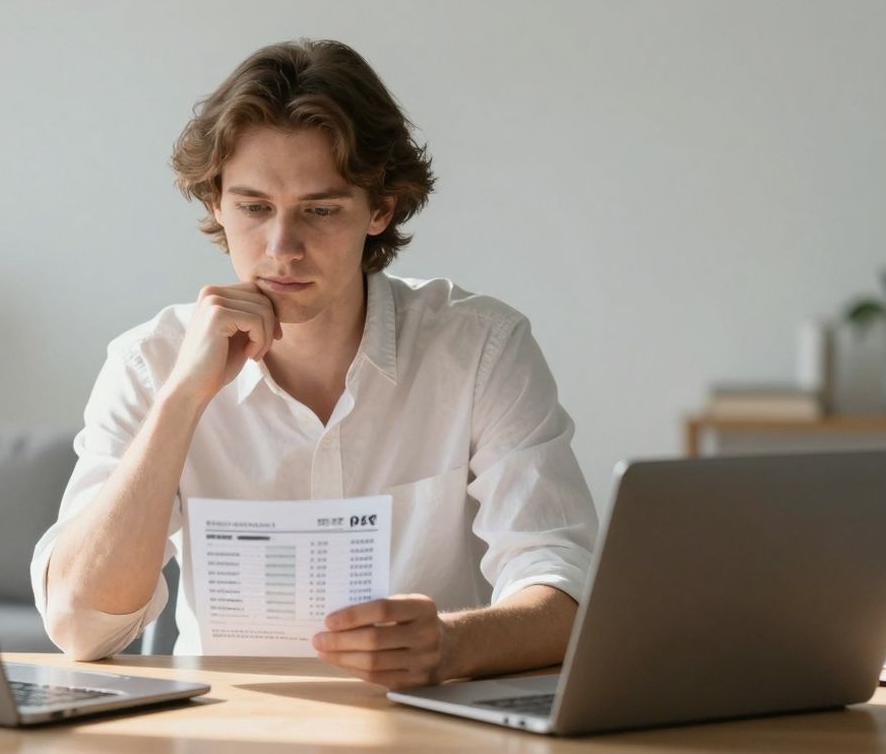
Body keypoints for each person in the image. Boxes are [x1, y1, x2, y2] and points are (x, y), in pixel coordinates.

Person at [31, 38, 597, 691]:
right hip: (228, 735)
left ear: (379, 210)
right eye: (253, 207)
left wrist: (449, 644)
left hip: (425, 727)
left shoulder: (479, 349)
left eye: (320, 210)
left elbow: (566, 593)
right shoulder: (149, 363)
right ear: (216, 202)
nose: (282, 249)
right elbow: (80, 628)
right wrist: (181, 402)